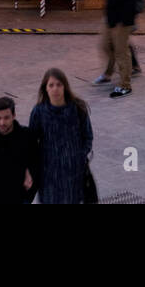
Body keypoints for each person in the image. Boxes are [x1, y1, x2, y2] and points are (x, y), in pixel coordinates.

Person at [28, 68, 93, 204]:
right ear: (45, 88)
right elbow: (32, 142)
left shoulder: (77, 108)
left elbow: (87, 135)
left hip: (73, 172)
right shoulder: (39, 112)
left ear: (65, 86)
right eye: (51, 85)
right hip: (49, 174)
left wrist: (79, 155)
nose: (55, 89)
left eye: (59, 84)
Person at [92, 0, 137, 97]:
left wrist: (125, 21)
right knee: (105, 45)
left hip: (121, 20)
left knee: (120, 51)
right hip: (110, 16)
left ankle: (125, 84)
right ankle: (108, 73)